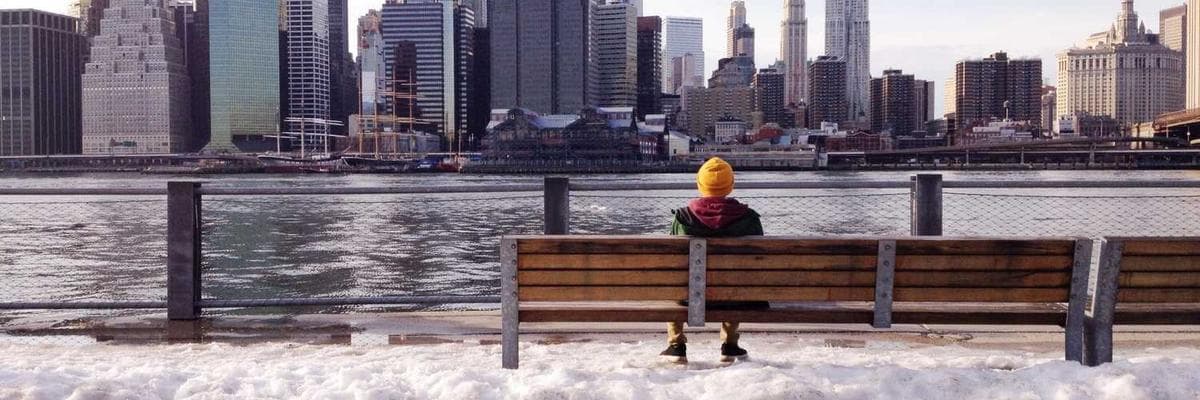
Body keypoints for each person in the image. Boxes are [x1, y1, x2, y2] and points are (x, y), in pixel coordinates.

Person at [660, 157, 763, 364]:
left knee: (675, 282)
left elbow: (671, 261)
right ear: (731, 185)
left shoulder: (683, 217)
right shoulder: (749, 218)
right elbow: (758, 261)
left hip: (688, 296)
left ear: (700, 184)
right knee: (737, 280)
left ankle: (676, 345)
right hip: (735, 296)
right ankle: (730, 344)